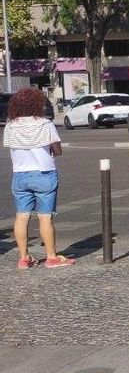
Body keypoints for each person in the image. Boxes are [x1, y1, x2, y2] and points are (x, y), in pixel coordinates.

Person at [4, 88, 71, 269]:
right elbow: (57, 150)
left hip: (19, 174)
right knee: (45, 217)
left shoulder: (10, 125)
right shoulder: (44, 124)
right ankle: (51, 257)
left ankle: (24, 258)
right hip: (43, 173)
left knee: (21, 217)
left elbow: (10, 146)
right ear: (36, 104)